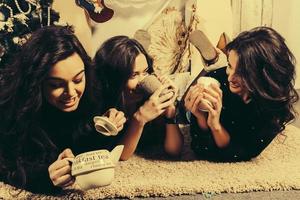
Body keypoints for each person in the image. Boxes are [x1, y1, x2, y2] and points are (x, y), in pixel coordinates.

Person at [0, 25, 126, 194]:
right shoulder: (12, 107)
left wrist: (104, 128)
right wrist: (44, 177)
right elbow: (6, 166)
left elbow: (84, 146)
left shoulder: (92, 90)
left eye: (78, 79)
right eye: (56, 85)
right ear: (36, 83)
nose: (71, 93)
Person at [184, 26, 299, 162]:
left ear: (263, 76)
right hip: (196, 102)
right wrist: (201, 117)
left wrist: (215, 126)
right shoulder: (218, 80)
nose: (230, 78)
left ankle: (216, 58)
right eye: (230, 66)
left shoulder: (273, 110)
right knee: (182, 106)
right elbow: (200, 148)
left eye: (241, 72)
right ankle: (217, 60)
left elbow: (240, 153)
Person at [94, 36, 183, 161]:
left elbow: (174, 151)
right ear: (114, 78)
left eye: (145, 72)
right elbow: (121, 155)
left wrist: (170, 111)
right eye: (133, 75)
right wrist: (139, 119)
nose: (142, 80)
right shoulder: (103, 106)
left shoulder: (149, 99)